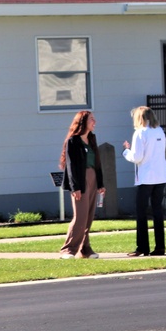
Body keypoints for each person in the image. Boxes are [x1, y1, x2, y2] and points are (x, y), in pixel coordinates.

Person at [122, 106, 166, 257]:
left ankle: (142, 247)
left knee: (141, 212)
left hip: (146, 177)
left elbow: (137, 157)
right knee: (157, 211)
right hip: (161, 175)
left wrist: (126, 151)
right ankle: (160, 247)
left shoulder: (140, 133)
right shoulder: (159, 131)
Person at [59, 110, 105, 259]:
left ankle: (85, 249)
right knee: (80, 216)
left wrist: (100, 183)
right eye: (92, 119)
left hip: (93, 178)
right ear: (83, 122)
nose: (95, 122)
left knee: (89, 216)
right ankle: (68, 250)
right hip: (80, 180)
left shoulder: (92, 139)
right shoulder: (73, 141)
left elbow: (97, 163)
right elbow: (70, 166)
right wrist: (75, 187)